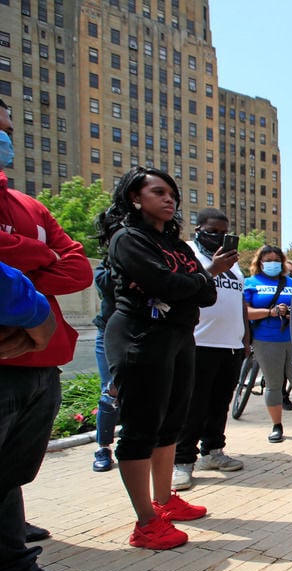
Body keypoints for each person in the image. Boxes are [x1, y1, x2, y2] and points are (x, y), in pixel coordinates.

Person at [99, 166, 232, 550]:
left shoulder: (175, 246)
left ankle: (164, 500)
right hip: (140, 337)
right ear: (136, 199)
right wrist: (197, 283)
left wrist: (193, 285)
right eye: (158, 192)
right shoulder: (128, 239)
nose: (169, 198)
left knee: (171, 423)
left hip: (178, 337)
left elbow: (204, 294)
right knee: (141, 427)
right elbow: (167, 285)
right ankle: (145, 521)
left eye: (171, 193)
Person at [0, 99, 96, 571]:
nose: (8, 137)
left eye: (9, 129)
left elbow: (78, 268)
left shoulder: (28, 205)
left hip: (38, 367)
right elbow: (56, 261)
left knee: (8, 478)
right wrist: (41, 258)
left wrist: (21, 253)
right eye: (2, 128)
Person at [172, 208, 249, 490]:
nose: (218, 236)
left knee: (219, 403)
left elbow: (237, 299)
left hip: (230, 344)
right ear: (199, 229)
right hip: (198, 342)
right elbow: (183, 288)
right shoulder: (188, 253)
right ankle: (182, 461)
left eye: (223, 231)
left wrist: (245, 337)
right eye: (212, 230)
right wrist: (213, 267)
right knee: (193, 405)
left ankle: (213, 451)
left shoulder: (233, 262)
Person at [244, 245, 292, 442]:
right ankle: (276, 425)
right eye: (268, 260)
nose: (273, 263)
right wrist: (270, 312)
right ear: (260, 262)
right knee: (273, 384)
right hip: (266, 340)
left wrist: (290, 312)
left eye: (276, 260)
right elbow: (245, 312)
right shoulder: (250, 283)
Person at [90, 260, 118, 472]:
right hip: (108, 332)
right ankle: (103, 448)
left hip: (142, 332)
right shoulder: (105, 266)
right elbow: (105, 285)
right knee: (110, 392)